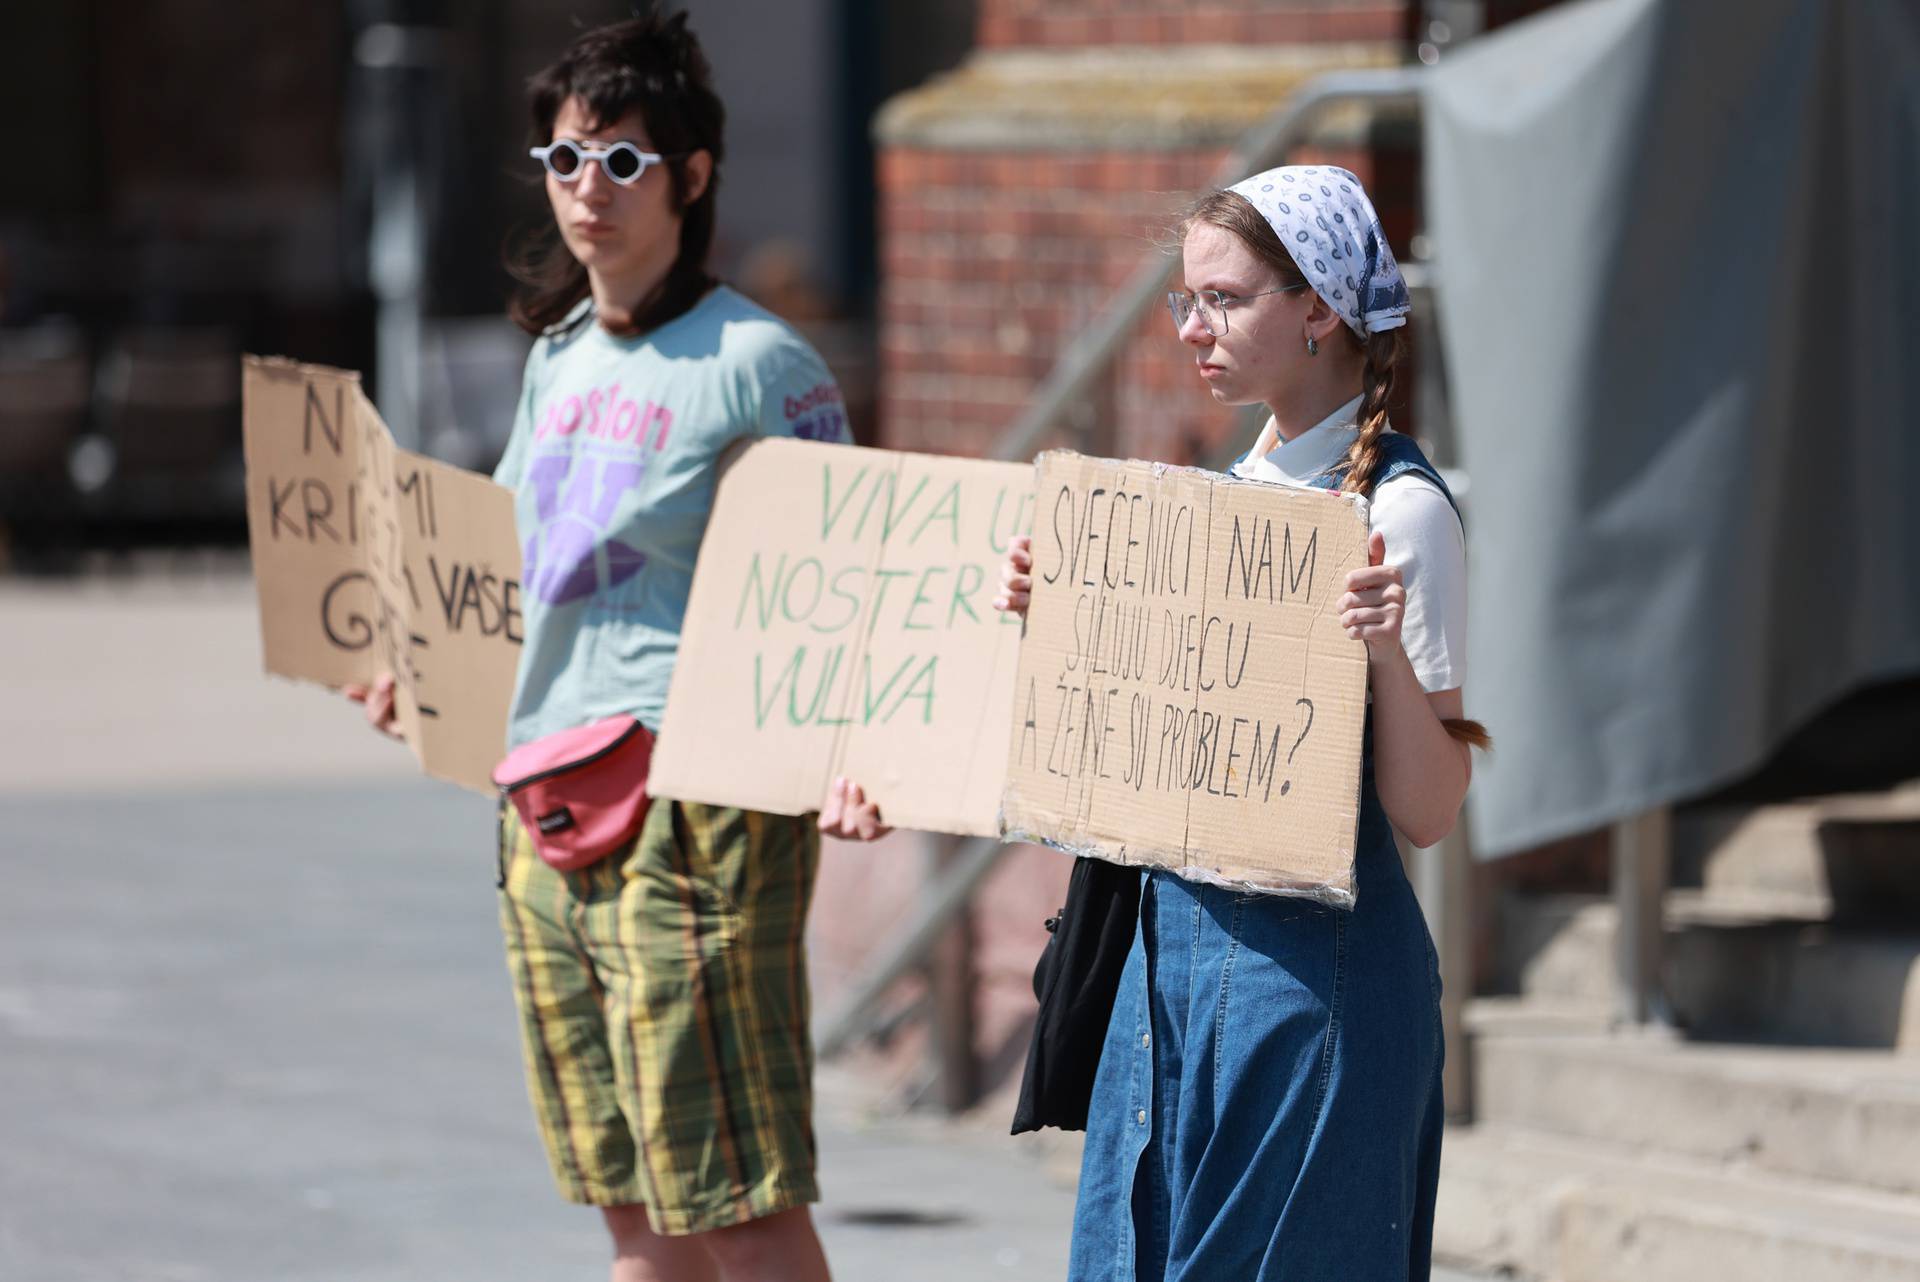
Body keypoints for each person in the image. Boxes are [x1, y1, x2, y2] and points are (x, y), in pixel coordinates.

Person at [348, 14, 884, 1282]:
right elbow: (522, 562)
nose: (588, 189)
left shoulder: (763, 363)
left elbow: (856, 581)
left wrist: (866, 750)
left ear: (692, 179)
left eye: (625, 162)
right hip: (540, 801)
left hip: (696, 809)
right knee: (627, 1200)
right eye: (565, 158)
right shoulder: (554, 356)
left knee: (732, 1198)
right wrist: (423, 672)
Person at [994, 165, 1489, 1281]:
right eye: (1185, 300)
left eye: (1223, 298)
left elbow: (1428, 810)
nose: (1191, 328)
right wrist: (1058, 618)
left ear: (1317, 306)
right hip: (1168, 972)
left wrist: (1377, 646)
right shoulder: (1237, 486)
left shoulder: (1400, 510)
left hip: (1309, 983)